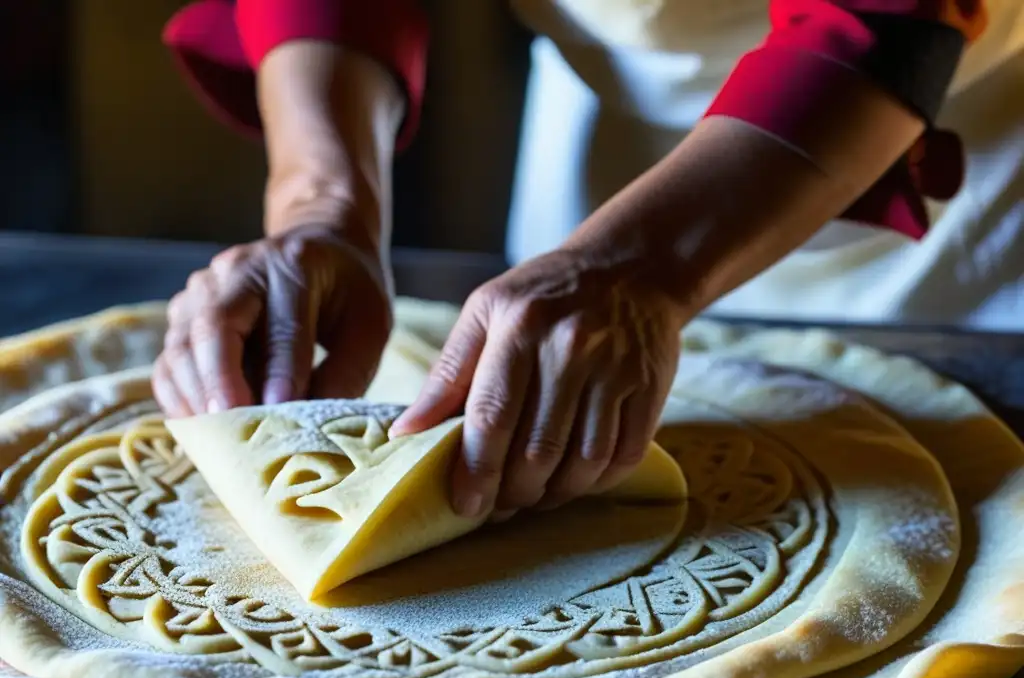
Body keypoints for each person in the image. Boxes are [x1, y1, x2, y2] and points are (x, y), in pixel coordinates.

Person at [156, 0, 1022, 522]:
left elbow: (887, 20)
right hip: (609, 132)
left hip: (974, 170)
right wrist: (322, 206)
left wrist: (641, 266)